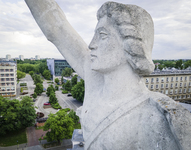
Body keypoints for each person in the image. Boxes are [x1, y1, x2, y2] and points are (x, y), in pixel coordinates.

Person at [25, 1, 191, 149]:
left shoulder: (157, 117)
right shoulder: (95, 79)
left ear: (132, 45)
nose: (91, 44)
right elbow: (57, 30)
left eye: (102, 35)